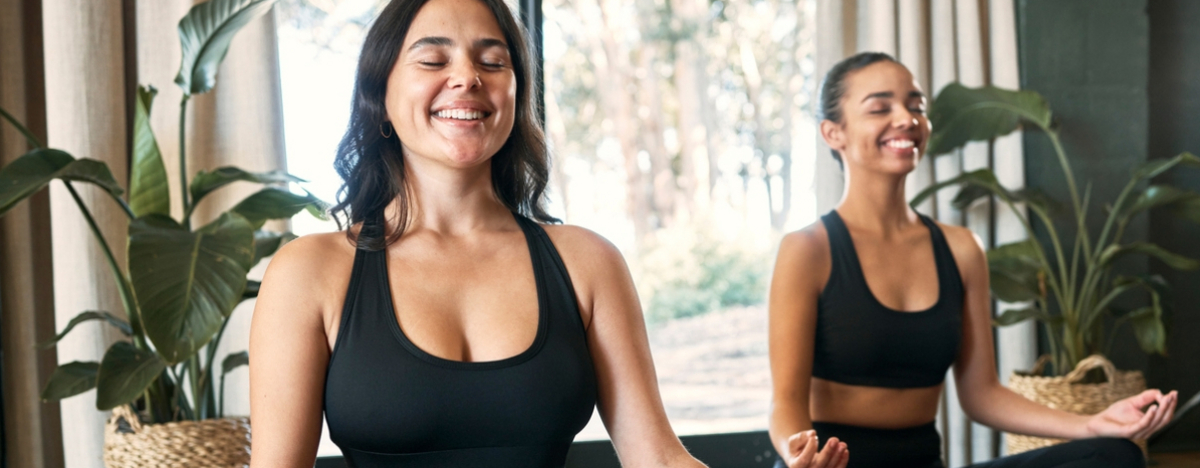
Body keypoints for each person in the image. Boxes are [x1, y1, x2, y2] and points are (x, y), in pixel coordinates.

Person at [247, 1, 707, 466]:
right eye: (433, 60)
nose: (468, 77)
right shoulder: (309, 272)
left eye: (493, 62)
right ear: (379, 95)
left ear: (517, 95)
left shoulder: (588, 263)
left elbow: (660, 459)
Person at [766, 52, 1178, 468]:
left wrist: (1092, 423)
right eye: (880, 107)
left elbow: (981, 394)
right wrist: (800, 455)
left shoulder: (962, 249)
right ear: (833, 132)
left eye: (916, 106)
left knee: (1113, 454)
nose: (906, 119)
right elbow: (785, 403)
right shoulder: (807, 250)